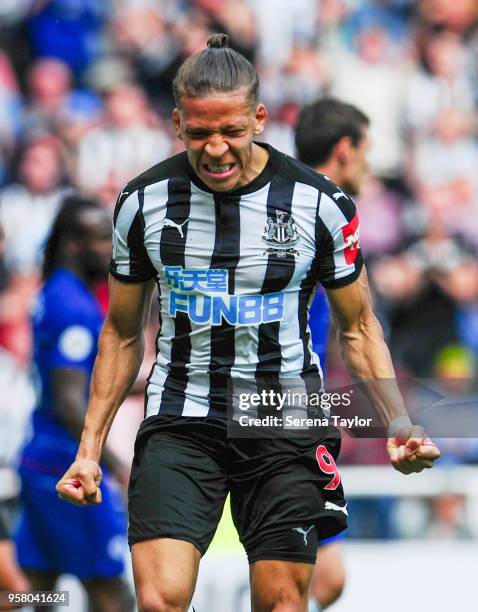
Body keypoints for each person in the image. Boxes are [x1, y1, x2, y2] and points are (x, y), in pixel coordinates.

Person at [57, 34, 440, 612]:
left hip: (284, 414)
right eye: (198, 132)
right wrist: (89, 449)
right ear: (176, 123)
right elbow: (122, 332)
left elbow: (359, 328)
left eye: (231, 131)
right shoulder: (142, 202)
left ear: (259, 118)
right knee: (159, 600)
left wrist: (399, 422)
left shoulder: (320, 205)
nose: (215, 148)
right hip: (182, 413)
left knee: (284, 603)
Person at [15, 196, 133, 612]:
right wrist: (117, 467)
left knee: (35, 587)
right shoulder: (74, 309)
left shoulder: (55, 293)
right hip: (68, 475)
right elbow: (69, 401)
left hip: (38, 461)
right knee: (112, 594)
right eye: (101, 239)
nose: (110, 248)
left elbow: (81, 380)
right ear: (71, 244)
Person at [295, 97, 370, 611]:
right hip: (280, 405)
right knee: (314, 580)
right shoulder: (329, 212)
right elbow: (359, 326)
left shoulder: (280, 202)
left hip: (287, 401)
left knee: (319, 578)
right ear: (345, 150)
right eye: (366, 151)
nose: (367, 163)